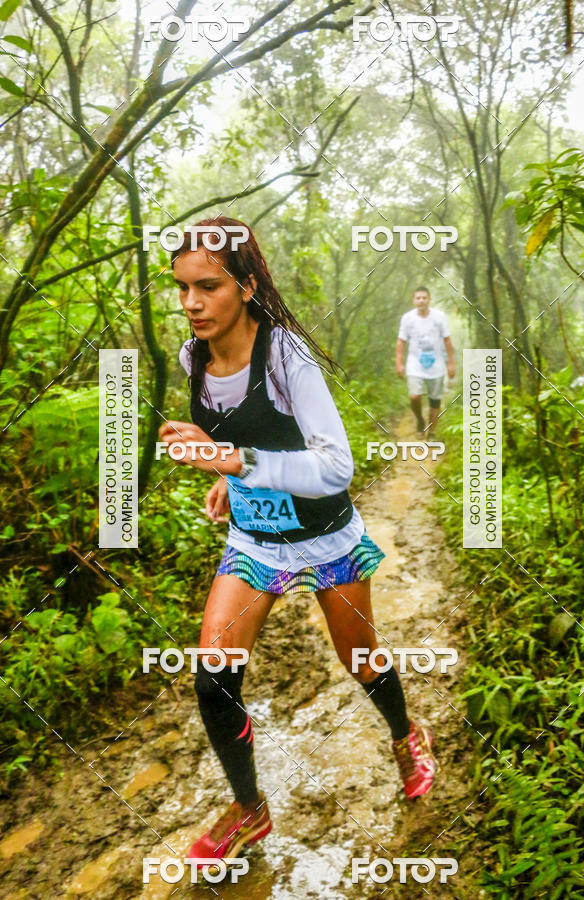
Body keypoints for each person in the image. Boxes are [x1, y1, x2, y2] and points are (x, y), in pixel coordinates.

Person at [158, 216, 438, 868]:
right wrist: (232, 482)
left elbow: (335, 466)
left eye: (208, 287)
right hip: (256, 541)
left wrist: (230, 460)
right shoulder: (190, 357)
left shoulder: (285, 354)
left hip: (325, 536)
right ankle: (249, 809)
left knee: (361, 660)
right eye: (181, 289)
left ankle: (405, 737)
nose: (192, 304)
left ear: (248, 285)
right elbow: (242, 435)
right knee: (212, 680)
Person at [396, 287, 456, 437]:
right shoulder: (407, 318)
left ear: (429, 299)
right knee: (414, 396)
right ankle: (420, 420)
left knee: (434, 401)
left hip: (437, 365)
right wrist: (399, 363)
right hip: (414, 364)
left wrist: (451, 363)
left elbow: (447, 340)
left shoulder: (439, 317)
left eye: (424, 297)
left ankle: (432, 432)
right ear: (413, 300)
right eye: (418, 298)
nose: (421, 300)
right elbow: (401, 341)